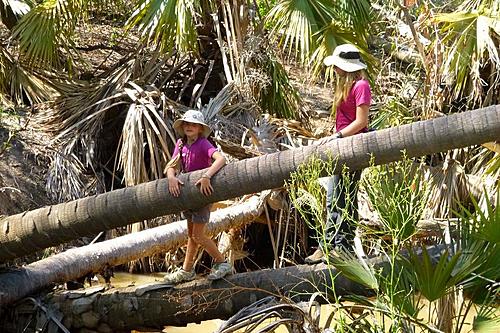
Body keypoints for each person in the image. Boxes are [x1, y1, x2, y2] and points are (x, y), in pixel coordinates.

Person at [305, 44, 371, 264]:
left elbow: (362, 121)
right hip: (341, 145)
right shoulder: (344, 86)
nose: (334, 69)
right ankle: (328, 245)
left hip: (353, 146)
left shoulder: (361, 85)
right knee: (334, 197)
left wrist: (338, 136)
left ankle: (342, 247)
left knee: (346, 197)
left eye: (337, 65)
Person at [163, 109, 232, 283]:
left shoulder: (203, 144)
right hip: (189, 196)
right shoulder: (180, 144)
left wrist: (207, 176)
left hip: (202, 195)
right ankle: (187, 270)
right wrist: (171, 177)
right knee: (192, 235)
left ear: (200, 128)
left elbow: (220, 159)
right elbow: (172, 165)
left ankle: (222, 262)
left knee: (199, 235)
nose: (189, 127)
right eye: (186, 124)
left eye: (193, 124)